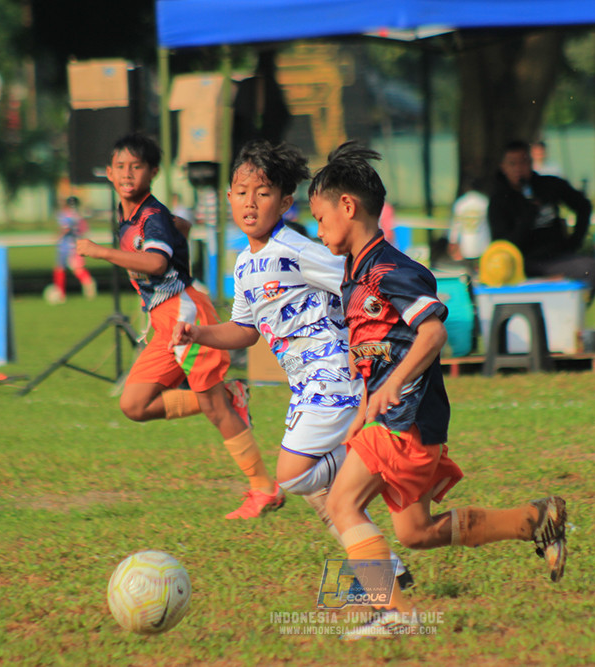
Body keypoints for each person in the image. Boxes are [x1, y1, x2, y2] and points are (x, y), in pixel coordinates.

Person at [309, 141, 567, 640]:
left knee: (342, 504)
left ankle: (395, 614)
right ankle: (535, 519)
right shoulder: (356, 273)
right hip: (397, 418)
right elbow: (377, 350)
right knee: (415, 532)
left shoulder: (388, 269)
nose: (318, 231)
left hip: (405, 420)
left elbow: (432, 332)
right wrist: (366, 404)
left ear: (348, 206)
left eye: (320, 218)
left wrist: (390, 392)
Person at [169, 139, 413, 587]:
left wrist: (375, 330)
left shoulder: (295, 248)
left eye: (262, 194)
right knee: (319, 492)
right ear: (227, 198)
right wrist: (199, 333)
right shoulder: (244, 264)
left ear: (283, 202)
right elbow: (244, 330)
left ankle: (375, 459)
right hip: (306, 387)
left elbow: (354, 274)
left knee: (293, 475)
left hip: (335, 376)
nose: (250, 202)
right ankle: (384, 570)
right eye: (241, 192)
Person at [77, 133, 282, 520]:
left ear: (153, 172)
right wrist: (176, 236)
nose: (127, 173)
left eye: (136, 166)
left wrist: (101, 252)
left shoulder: (150, 216)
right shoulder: (137, 215)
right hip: (163, 321)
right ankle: (229, 394)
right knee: (133, 405)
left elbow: (155, 263)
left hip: (184, 315)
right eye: (120, 166)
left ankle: (263, 488)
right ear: (108, 173)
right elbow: (182, 226)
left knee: (214, 408)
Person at [487, 140, 595, 302]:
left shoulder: (548, 185)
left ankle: (575, 310)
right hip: (524, 262)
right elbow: (502, 244)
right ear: (503, 167)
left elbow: (583, 205)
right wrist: (528, 216)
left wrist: (575, 240)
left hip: (556, 256)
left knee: (592, 268)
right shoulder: (499, 200)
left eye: (523, 162)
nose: (518, 169)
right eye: (512, 164)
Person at [51, 196, 97, 301]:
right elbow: (84, 229)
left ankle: (61, 293)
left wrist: (58, 236)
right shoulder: (78, 215)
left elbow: (66, 228)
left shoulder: (66, 215)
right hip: (76, 244)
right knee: (75, 267)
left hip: (66, 246)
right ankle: (88, 285)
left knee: (63, 268)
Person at [446, 180, 491, 273]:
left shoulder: (460, 203)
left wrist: (453, 241)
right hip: (483, 243)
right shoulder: (484, 201)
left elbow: (455, 225)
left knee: (467, 270)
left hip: (465, 243)